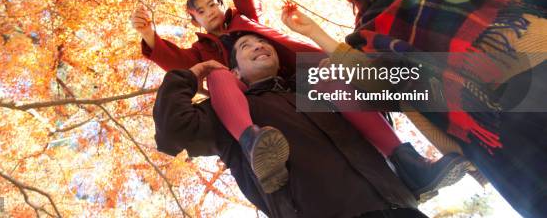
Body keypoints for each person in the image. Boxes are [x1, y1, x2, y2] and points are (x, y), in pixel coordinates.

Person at [134, 0, 466, 197]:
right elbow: (176, 62)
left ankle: (408, 162)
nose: (209, 12)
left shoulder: (244, 19)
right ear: (195, 20)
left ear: (222, 7)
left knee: (333, 80)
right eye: (200, 11)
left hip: (293, 77)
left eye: (212, 5)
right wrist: (149, 34)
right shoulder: (201, 50)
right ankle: (254, 144)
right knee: (218, 74)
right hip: (248, 96)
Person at [282, 0, 547, 217]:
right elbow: (385, 85)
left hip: (533, 72)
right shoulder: (364, 35)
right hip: (487, 131)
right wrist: (316, 34)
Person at [153, 33, 431, 218]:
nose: (259, 46)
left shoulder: (315, 91)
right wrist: (190, 75)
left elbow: (383, 106)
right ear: (234, 71)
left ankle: (411, 162)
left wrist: (347, 68)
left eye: (262, 43)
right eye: (245, 47)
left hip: (399, 205)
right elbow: (173, 131)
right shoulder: (227, 113)